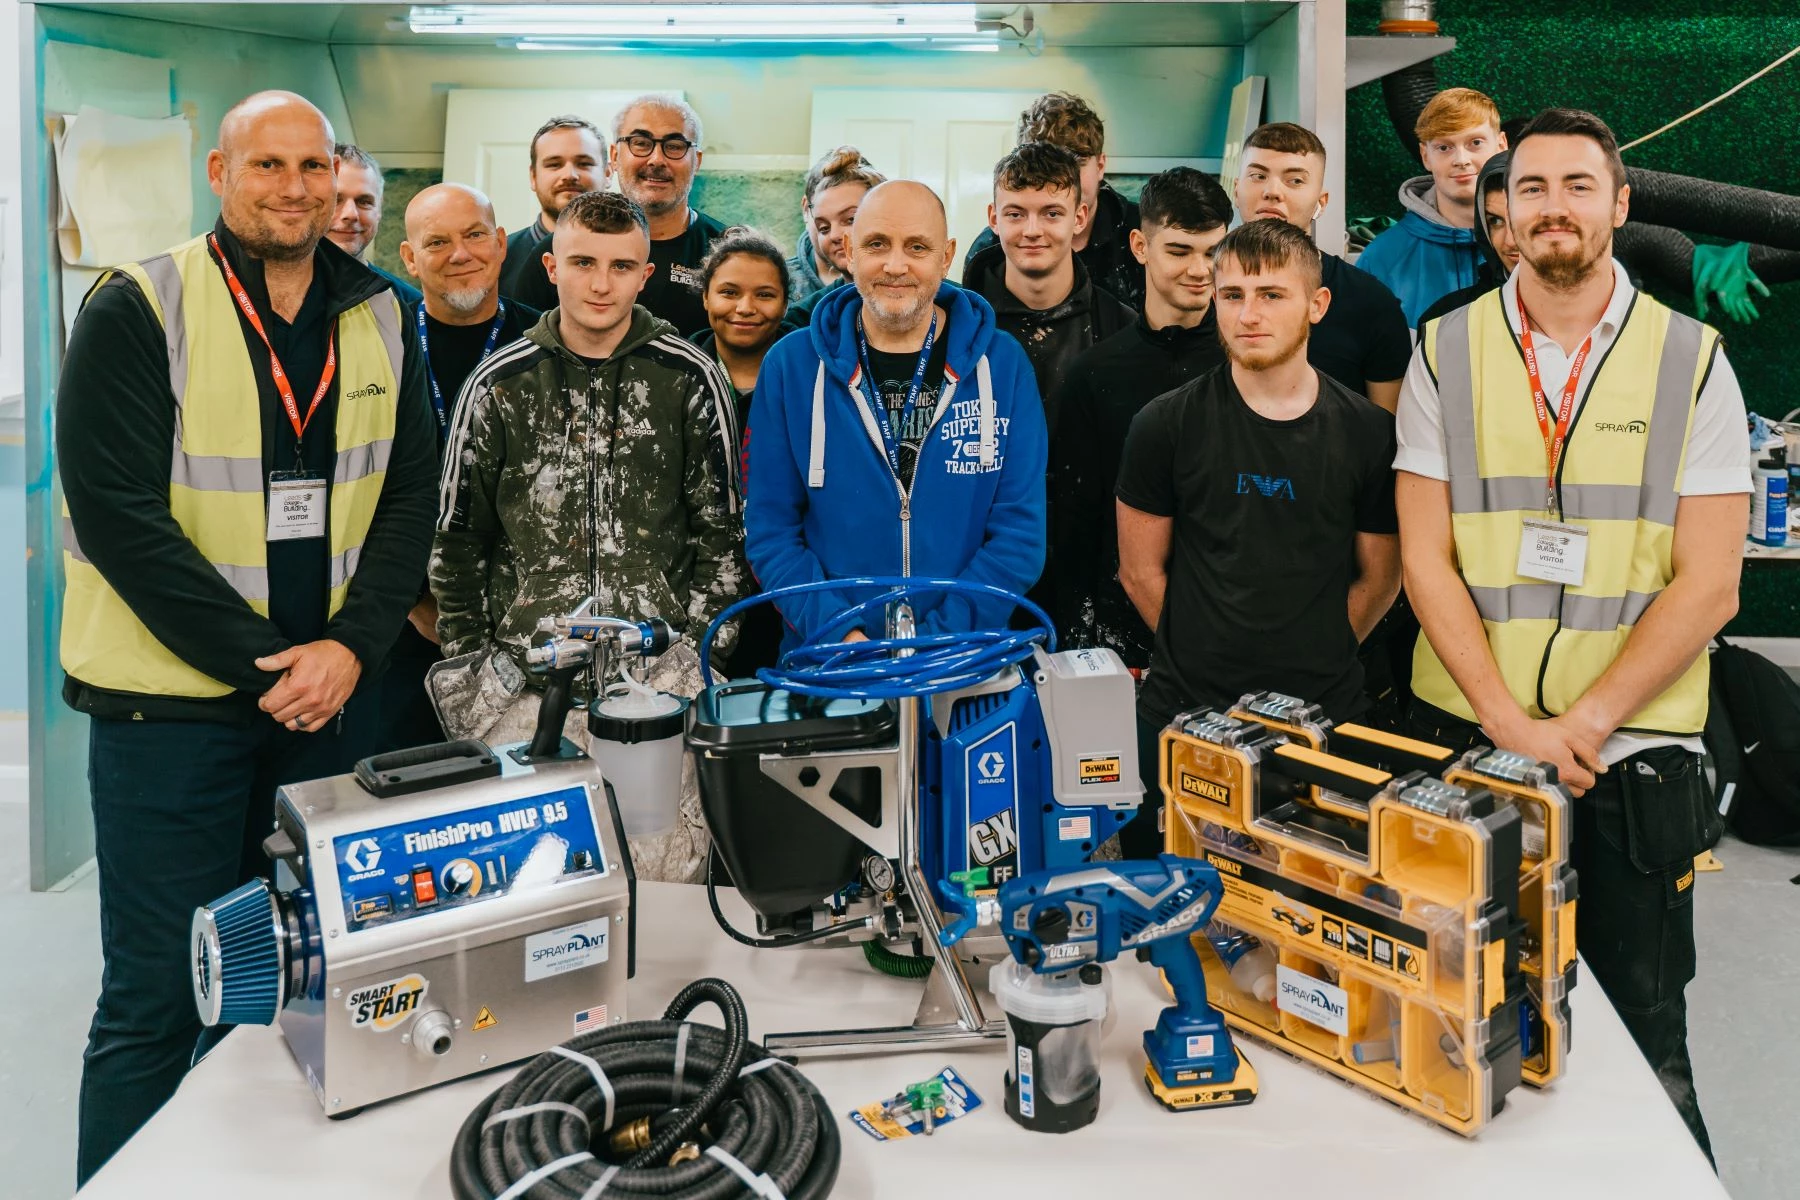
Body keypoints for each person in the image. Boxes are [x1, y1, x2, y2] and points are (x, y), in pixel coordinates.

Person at [57, 91, 438, 1183]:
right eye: (266, 166)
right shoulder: (139, 307)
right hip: (169, 719)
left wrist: (353, 650)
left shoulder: (381, 310)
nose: (293, 188)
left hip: (324, 712)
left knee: (303, 981)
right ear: (219, 175)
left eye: (312, 166)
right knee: (158, 993)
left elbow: (408, 500)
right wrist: (278, 668)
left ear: (337, 177)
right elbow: (121, 522)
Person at [1396, 109, 1749, 1160]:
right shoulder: (1443, 352)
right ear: (1502, 215)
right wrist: (1512, 724)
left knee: (1648, 1031)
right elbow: (1426, 561)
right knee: (1458, 1019)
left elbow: (1714, 583)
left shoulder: (1693, 361)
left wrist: (1582, 723)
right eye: (1533, 189)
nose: (1555, 208)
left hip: (1631, 758)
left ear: (1619, 205)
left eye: (1578, 186)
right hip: (1470, 743)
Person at [431, 190, 743, 882]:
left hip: (659, 692)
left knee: (664, 892)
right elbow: (457, 543)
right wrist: (482, 673)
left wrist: (693, 660)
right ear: (550, 267)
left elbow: (723, 539)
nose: (601, 283)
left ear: (646, 273)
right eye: (583, 262)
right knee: (529, 894)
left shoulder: (690, 378)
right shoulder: (498, 383)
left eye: (621, 265)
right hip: (523, 695)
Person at [1114, 219, 1400, 857]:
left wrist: (1313, 652)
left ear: (1316, 305)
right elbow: (1139, 570)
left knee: (1314, 925)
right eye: (1233, 294)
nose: (1249, 313)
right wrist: (1204, 648)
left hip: (1323, 719)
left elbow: (1381, 577)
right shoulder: (1164, 425)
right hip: (1184, 716)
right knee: (1177, 929)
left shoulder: (1369, 435)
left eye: (1272, 294)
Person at [745, 180, 1047, 649]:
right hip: (831, 661)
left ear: (946, 256)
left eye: (917, 247)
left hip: (962, 660)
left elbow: (1020, 536)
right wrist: (842, 636)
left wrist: (933, 645)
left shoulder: (1002, 366)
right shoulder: (790, 367)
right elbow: (770, 532)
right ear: (848, 250)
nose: (895, 265)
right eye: (877, 244)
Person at [374, 182, 540, 753]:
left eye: (474, 236)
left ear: (500, 244)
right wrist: (415, 601)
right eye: (437, 241)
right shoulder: (378, 348)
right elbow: (360, 490)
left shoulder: (550, 343)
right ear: (409, 258)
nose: (460, 254)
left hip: (530, 625)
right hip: (406, 622)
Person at [1049, 167, 1232, 668]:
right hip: (1120, 638)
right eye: (1179, 250)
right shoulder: (1094, 373)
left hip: (1233, 624)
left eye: (1213, 252)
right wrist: (1085, 642)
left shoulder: (1249, 364)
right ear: (1139, 245)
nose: (1200, 270)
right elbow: (1077, 524)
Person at [1232, 122, 1411, 411]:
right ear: (1236, 189)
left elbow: (1386, 431)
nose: (1272, 191)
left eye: (1295, 180)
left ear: (1321, 202)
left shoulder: (1371, 303)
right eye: (1258, 175)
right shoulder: (1201, 292)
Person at [962, 141, 1134, 429]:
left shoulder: (1121, 327)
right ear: (994, 218)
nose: (1032, 231)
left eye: (1051, 214)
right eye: (1015, 214)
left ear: (1078, 218)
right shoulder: (958, 322)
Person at [690, 228, 796, 675]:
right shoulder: (676, 373)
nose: (745, 308)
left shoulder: (808, 374)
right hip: (695, 584)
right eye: (729, 292)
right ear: (706, 298)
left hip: (784, 583)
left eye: (764, 294)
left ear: (786, 303)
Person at [963, 91, 1144, 309]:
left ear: (1100, 166)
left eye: (1077, 162)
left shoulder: (1141, 230)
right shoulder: (987, 252)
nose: (1064, 178)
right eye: (1045, 165)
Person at [1357, 88, 1508, 327]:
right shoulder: (1381, 258)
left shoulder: (1532, 243)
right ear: (1425, 155)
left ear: (1501, 145)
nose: (1461, 159)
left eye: (1475, 143)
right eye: (1444, 147)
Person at [611, 93, 728, 337]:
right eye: (641, 143)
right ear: (614, 156)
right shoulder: (570, 247)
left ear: (696, 161)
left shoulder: (729, 252)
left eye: (674, 146)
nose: (656, 159)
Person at [498, 114, 608, 312]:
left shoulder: (631, 257)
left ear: (607, 174)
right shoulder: (498, 260)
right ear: (533, 176)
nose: (569, 175)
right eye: (554, 164)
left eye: (584, 163)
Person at [1417, 150, 1518, 331]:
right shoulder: (1443, 320)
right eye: (1495, 221)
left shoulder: (1585, 312)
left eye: (1520, 220)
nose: (1510, 241)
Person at [785, 145, 884, 313]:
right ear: (806, 209)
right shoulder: (796, 306)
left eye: (851, 219)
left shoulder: (931, 290)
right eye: (824, 228)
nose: (835, 235)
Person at [327, 142, 422, 307]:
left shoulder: (407, 303)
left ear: (379, 209)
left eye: (364, 201)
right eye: (336, 200)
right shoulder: (275, 293)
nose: (351, 214)